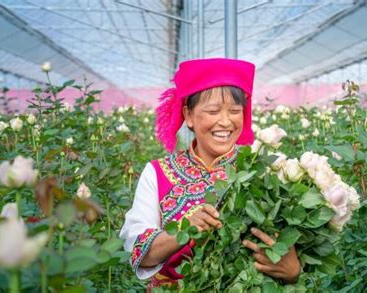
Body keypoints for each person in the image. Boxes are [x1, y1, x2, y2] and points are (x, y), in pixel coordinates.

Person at [119, 58, 301, 290]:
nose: (225, 121)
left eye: (235, 111)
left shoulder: (263, 169)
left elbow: (289, 253)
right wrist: (185, 230)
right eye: (213, 111)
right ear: (189, 115)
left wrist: (293, 272)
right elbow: (139, 253)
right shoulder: (157, 173)